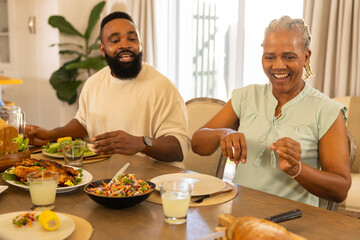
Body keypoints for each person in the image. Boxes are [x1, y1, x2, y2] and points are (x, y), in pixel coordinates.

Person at [191, 16, 351, 207]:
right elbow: (198, 145)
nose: (278, 66)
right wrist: (222, 133)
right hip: (241, 212)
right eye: (270, 57)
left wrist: (297, 169)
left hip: (295, 220)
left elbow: (340, 190)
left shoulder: (327, 110)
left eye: (289, 57)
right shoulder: (246, 96)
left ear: (306, 57)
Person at [26, 12, 190, 167]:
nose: (125, 45)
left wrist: (141, 143)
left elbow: (179, 148)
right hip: (106, 179)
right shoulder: (93, 83)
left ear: (140, 44)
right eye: (115, 40)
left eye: (132, 39)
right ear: (102, 49)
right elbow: (83, 124)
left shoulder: (162, 86)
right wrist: (51, 135)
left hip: (157, 182)